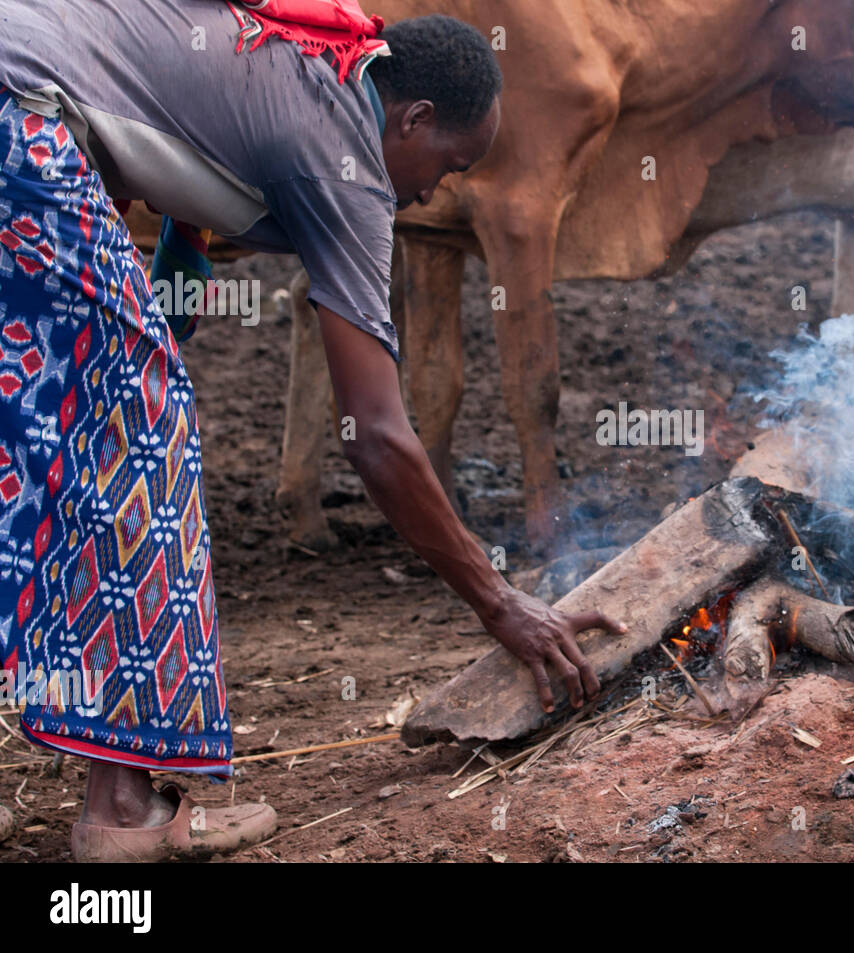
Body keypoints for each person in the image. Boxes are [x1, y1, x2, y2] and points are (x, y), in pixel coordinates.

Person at [0, 0, 623, 862]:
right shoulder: (350, 157)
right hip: (23, 126)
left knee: (40, 426)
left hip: (20, 97)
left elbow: (155, 151)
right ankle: (124, 809)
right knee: (142, 432)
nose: (438, 190)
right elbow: (373, 433)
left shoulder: (311, 71)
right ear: (414, 118)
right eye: (450, 163)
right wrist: (500, 600)